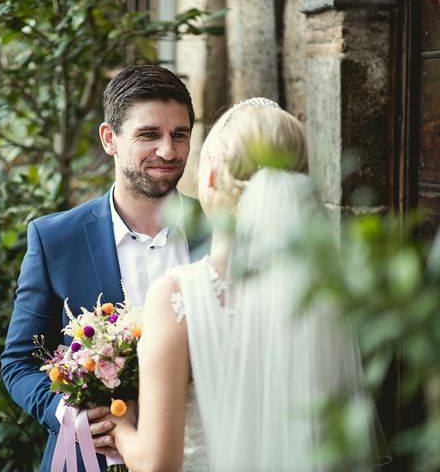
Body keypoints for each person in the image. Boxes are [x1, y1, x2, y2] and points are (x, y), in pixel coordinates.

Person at [108, 98, 384, 470]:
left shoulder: (178, 294)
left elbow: (158, 464)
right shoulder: (326, 291)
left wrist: (123, 427)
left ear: (210, 177)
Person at [0, 64, 196, 471]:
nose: (168, 150)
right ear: (110, 139)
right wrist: (66, 414)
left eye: (180, 134)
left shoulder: (217, 235)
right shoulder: (54, 239)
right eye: (148, 134)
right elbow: (18, 363)